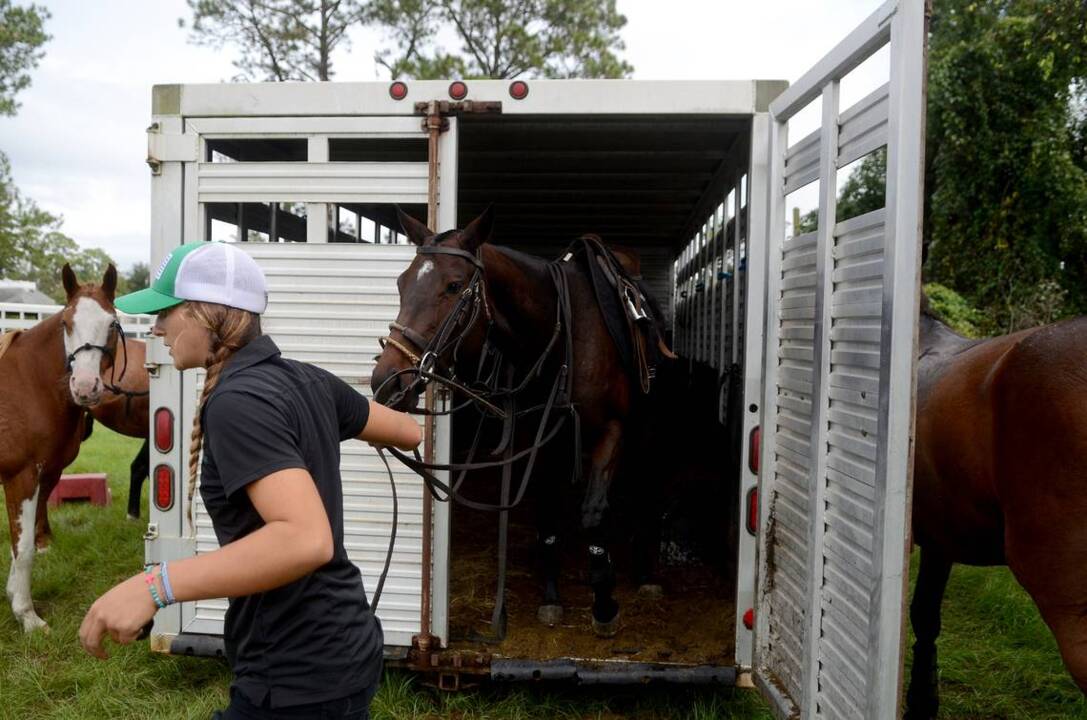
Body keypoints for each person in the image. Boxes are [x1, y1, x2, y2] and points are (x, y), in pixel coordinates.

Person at [79, 241, 421, 719]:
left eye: (165, 312)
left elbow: (305, 539)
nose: (155, 329)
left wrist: (154, 586)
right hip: (346, 646)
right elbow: (408, 432)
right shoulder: (308, 379)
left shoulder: (239, 401)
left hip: (294, 669)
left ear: (206, 314)